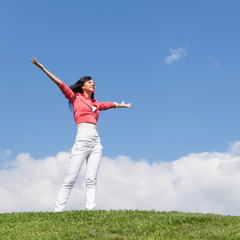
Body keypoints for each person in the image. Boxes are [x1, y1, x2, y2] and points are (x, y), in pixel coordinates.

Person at [31, 57, 131, 211]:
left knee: (91, 179)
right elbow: (60, 84)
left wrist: (121, 105)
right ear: (82, 86)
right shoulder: (75, 97)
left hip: (96, 142)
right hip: (82, 140)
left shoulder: (95, 103)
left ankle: (90, 210)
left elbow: (108, 105)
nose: (93, 83)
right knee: (71, 178)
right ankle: (58, 210)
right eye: (90, 82)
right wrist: (42, 68)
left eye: (94, 82)